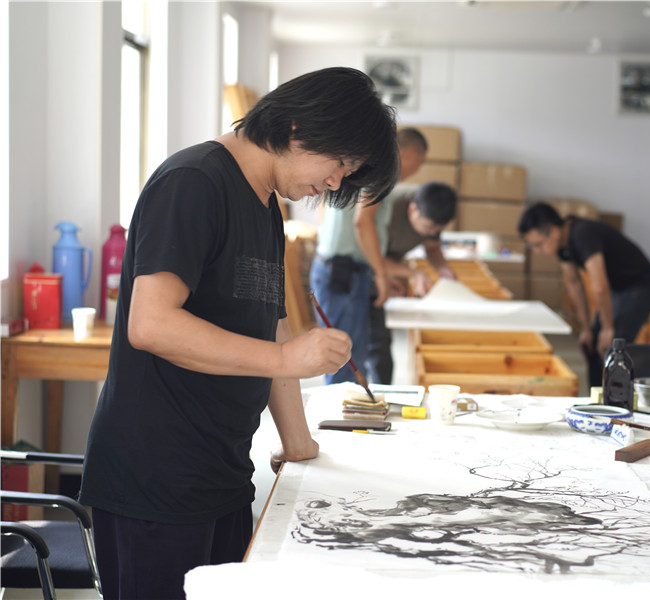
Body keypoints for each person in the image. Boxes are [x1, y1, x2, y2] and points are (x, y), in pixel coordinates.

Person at [78, 67, 399, 600]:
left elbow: (270, 324)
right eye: (340, 164)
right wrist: (287, 359)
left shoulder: (266, 204)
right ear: (298, 128)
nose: (335, 183)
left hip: (222, 470)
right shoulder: (194, 181)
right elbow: (151, 324)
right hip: (157, 477)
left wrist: (298, 445)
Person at [310, 127, 427, 385]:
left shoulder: (369, 168)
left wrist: (377, 271)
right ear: (409, 154)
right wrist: (381, 274)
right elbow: (363, 223)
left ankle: (349, 409)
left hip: (344, 269)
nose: (418, 169)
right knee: (344, 361)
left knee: (351, 356)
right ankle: (341, 412)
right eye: (420, 162)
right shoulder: (382, 170)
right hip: (343, 273)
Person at [518, 202, 650, 387]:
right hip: (618, 289)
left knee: (613, 346)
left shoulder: (583, 234)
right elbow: (573, 284)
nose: (538, 251)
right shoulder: (563, 247)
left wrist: (608, 328)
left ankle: (617, 398)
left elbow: (600, 285)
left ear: (554, 231)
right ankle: (596, 396)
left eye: (538, 245)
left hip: (642, 286)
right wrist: (585, 328)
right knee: (591, 344)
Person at [366, 181, 459, 384]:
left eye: (437, 230)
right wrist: (413, 274)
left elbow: (432, 248)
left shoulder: (434, 209)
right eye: (427, 227)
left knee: (380, 341)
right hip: (358, 266)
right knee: (360, 339)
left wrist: (443, 270)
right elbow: (371, 255)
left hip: (384, 265)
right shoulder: (387, 205)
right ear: (412, 209)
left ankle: (382, 392)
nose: (431, 233)